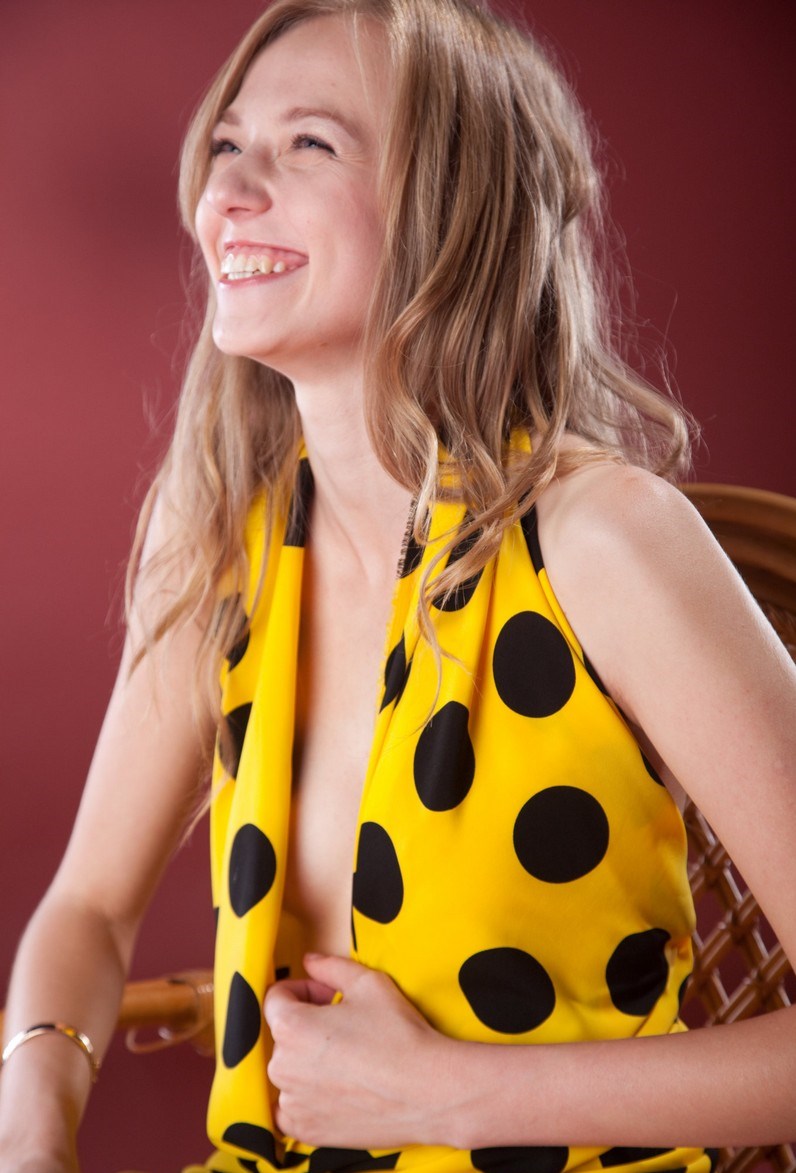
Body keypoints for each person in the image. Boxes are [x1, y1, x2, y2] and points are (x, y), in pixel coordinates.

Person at [1, 0, 795, 1169]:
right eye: (226, 146)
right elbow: (87, 910)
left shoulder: (605, 543)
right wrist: (33, 1134)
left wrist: (452, 1098)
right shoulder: (222, 535)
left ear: (451, 207)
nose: (227, 194)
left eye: (306, 145)